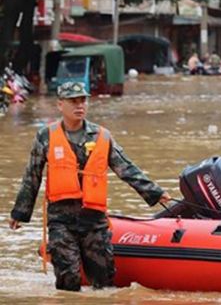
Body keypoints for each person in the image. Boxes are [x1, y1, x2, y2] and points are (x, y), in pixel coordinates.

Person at [8, 81, 170, 292]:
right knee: (69, 279)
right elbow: (32, 175)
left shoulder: (102, 135)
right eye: (73, 101)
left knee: (104, 282)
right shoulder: (45, 136)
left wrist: (155, 193)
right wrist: (20, 212)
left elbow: (126, 169)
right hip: (61, 220)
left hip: (94, 219)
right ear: (60, 105)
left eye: (82, 101)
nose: (79, 106)